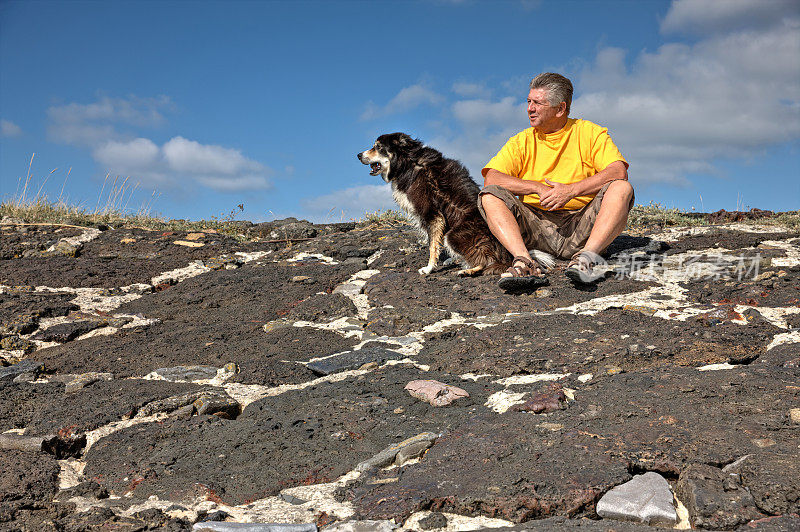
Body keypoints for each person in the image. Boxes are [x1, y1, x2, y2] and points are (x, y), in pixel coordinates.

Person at [478, 72, 634, 290]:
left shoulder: (590, 133)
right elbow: (491, 178)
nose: (529, 108)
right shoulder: (520, 141)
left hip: (580, 226)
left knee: (621, 188)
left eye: (537, 103)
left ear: (560, 109)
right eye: (529, 102)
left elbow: (618, 171)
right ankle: (524, 261)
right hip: (535, 229)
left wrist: (571, 191)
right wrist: (536, 187)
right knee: (490, 194)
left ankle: (586, 259)